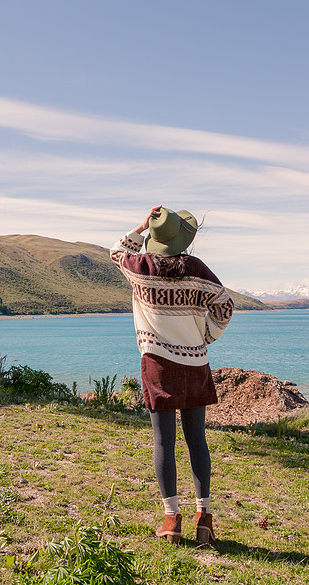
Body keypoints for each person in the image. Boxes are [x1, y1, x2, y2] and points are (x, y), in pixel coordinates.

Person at [109, 206, 234, 545]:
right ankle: (204, 518)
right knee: (197, 440)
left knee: (164, 442)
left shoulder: (140, 268)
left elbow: (117, 250)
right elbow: (225, 305)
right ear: (183, 238)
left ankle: (170, 521)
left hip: (157, 366)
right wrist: (205, 335)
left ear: (155, 239)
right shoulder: (197, 269)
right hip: (195, 363)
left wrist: (142, 224)